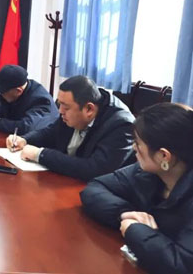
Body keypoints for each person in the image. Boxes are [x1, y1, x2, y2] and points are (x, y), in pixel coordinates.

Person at [80, 103, 193, 274]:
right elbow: (95, 188)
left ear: (164, 156)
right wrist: (124, 213)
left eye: (138, 143)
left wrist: (133, 229)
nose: (133, 147)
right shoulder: (147, 172)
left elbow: (182, 265)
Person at [5, 75, 134, 181]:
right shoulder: (77, 104)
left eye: (65, 107)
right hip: (67, 180)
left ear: (89, 109)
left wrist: (40, 155)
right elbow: (51, 132)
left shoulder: (121, 125)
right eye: (59, 104)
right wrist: (25, 139)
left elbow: (94, 169)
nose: (60, 111)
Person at [0, 65, 58, 135]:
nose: (0, 94)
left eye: (2, 91)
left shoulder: (41, 101)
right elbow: (5, 107)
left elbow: (26, 127)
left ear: (18, 91)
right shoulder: (15, 92)